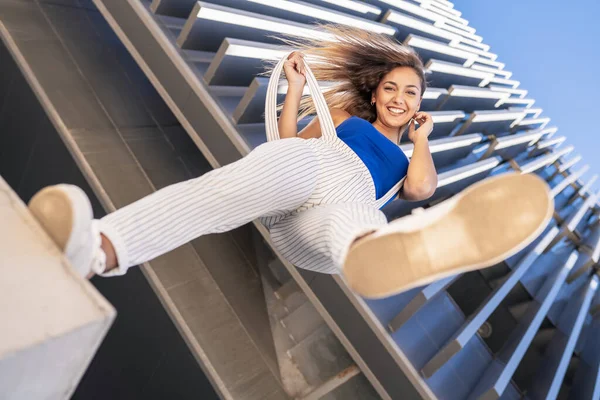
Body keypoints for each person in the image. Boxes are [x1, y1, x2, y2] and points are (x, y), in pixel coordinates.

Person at [27, 25, 553, 299]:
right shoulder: (350, 114)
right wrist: (296, 89)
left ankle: (386, 253)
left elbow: (418, 191)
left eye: (410, 93)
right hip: (307, 168)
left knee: (355, 215)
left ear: (419, 102)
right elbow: (288, 141)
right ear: (378, 90)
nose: (398, 97)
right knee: (230, 187)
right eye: (390, 87)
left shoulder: (411, 150)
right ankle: (96, 249)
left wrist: (421, 140)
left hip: (334, 221)